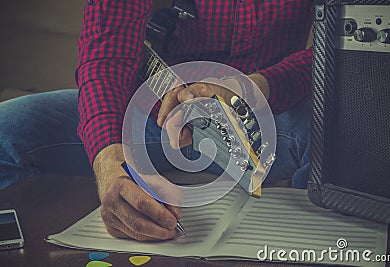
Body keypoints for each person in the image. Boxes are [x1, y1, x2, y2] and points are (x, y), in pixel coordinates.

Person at [0, 0, 314, 241]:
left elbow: (347, 51)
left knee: (341, 145)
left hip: (270, 115)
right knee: (7, 132)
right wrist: (109, 160)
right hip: (153, 112)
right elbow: (108, 54)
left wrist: (257, 85)